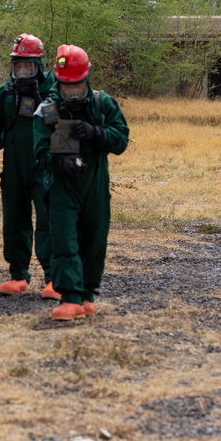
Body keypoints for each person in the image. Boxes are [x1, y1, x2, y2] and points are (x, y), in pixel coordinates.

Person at [33, 44, 129, 320]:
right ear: (57, 82)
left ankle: (87, 294)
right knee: (64, 238)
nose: (72, 94)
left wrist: (95, 133)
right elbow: (39, 148)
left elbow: (121, 140)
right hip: (61, 182)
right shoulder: (47, 109)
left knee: (94, 238)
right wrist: (59, 161)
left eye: (77, 87)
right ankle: (70, 297)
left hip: (95, 181)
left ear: (86, 79)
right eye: (66, 88)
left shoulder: (103, 103)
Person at [0, 33, 60, 300]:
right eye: (18, 66)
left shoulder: (55, 91)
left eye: (28, 65)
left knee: (48, 220)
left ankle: (53, 278)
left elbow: (67, 130)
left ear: (39, 64)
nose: (23, 72)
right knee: (14, 220)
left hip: (46, 168)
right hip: (13, 168)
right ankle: (18, 275)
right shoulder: (3, 94)